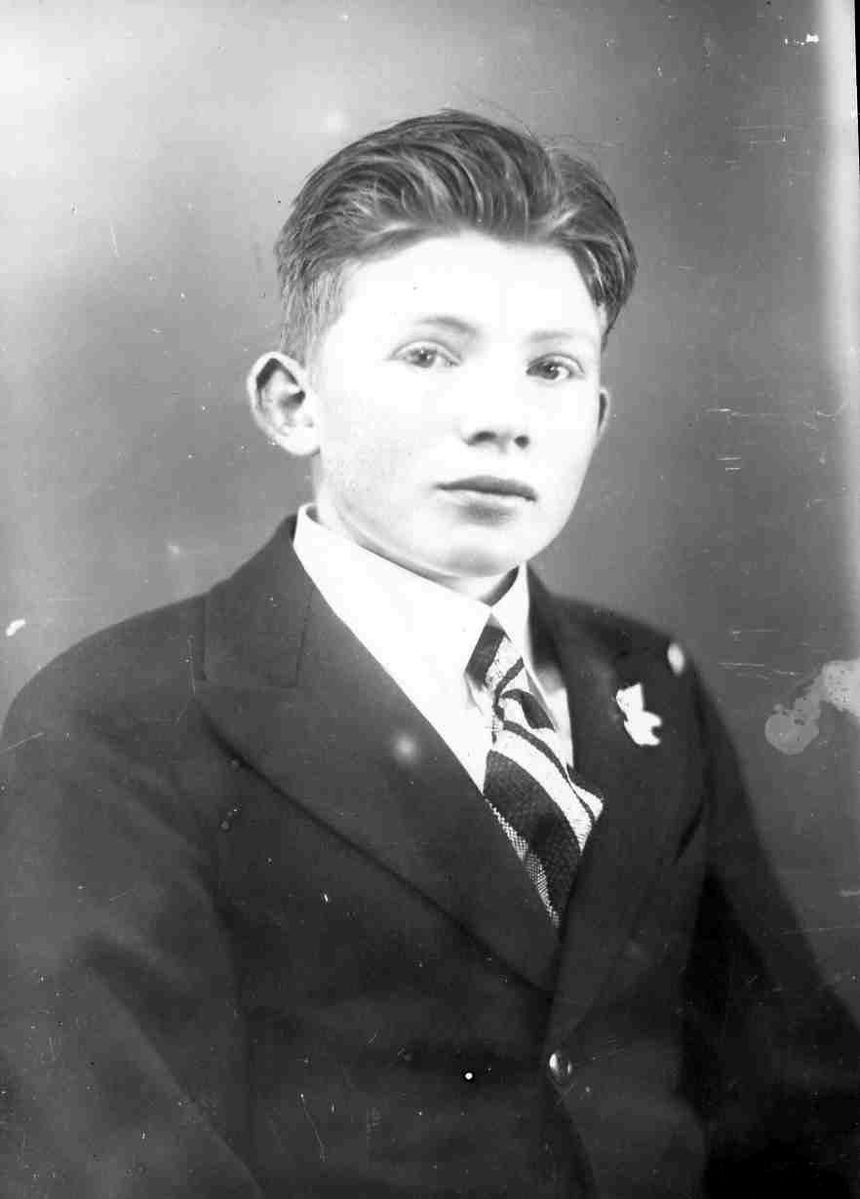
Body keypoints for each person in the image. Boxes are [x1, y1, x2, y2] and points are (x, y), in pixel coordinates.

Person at [1, 110, 857, 1198]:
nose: (501, 417)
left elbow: (796, 1103)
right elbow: (118, 1165)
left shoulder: (645, 682)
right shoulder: (113, 722)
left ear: (596, 420)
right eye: (427, 354)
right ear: (293, 404)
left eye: (551, 368)